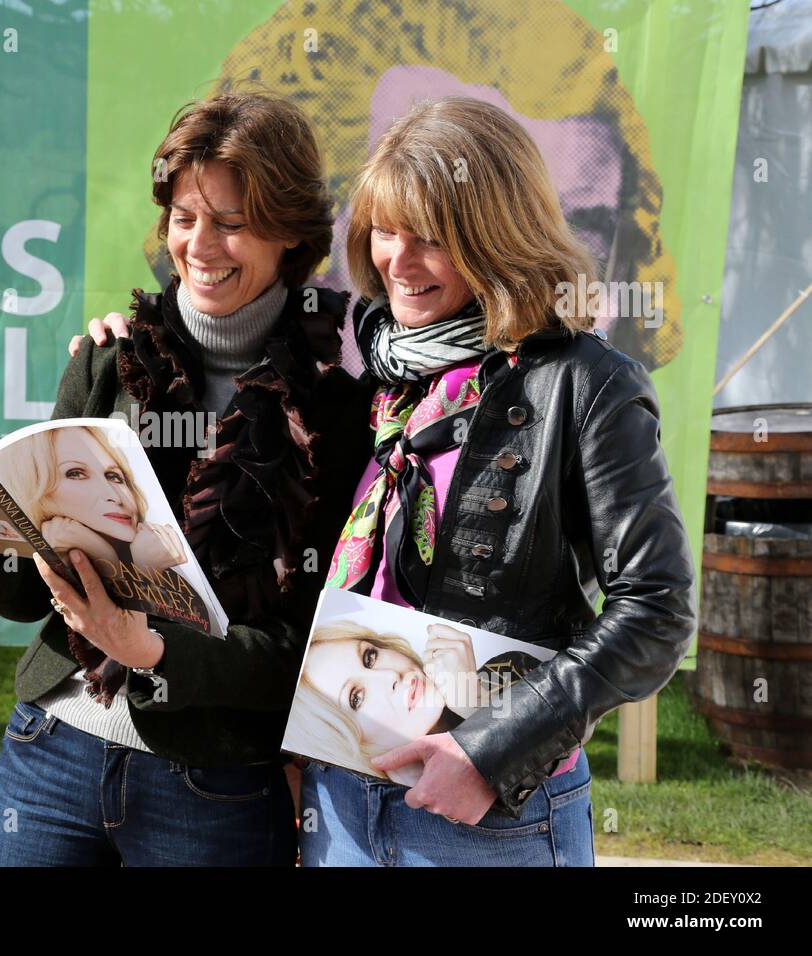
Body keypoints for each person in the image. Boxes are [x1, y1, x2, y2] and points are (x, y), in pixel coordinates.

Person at [77, 96, 697, 868]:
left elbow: (657, 610)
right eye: (384, 232)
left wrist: (490, 753)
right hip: (339, 796)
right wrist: (129, 340)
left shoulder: (585, 383)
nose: (398, 261)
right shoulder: (380, 379)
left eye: (431, 238)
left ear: (496, 236)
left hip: (484, 817)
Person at [0, 91, 373, 866]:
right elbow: (35, 589)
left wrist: (155, 654)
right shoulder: (109, 358)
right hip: (52, 748)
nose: (201, 245)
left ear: (292, 236)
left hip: (217, 783)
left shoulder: (339, 411)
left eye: (232, 223)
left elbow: (306, 650)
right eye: (185, 219)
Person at [285, 620, 539, 788]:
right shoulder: (370, 815)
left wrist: (479, 708)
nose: (389, 676)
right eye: (356, 698)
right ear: (347, 745)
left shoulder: (507, 670)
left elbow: (558, 751)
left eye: (370, 657)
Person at [0, 425, 186, 574]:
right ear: (36, 486)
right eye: (76, 473)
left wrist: (135, 567)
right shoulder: (33, 563)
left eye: (114, 476)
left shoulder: (161, 551)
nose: (114, 496)